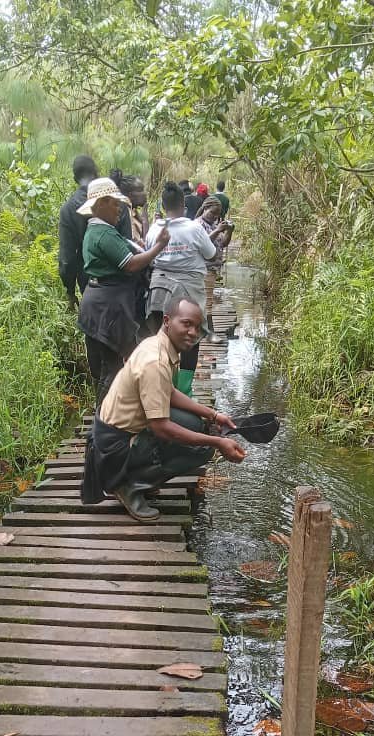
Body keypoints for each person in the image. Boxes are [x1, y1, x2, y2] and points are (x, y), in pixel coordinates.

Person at [82, 298, 246, 521]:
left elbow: (167, 391)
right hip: (113, 448)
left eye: (197, 328)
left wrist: (213, 414)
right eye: (186, 324)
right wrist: (217, 442)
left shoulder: (158, 344)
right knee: (203, 449)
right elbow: (161, 428)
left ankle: (141, 476)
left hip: (117, 434)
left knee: (197, 423)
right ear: (167, 321)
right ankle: (127, 485)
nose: (192, 332)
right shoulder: (155, 361)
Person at [77, 177, 169, 404]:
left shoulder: (98, 231)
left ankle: (104, 421)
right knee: (112, 367)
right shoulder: (104, 234)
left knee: (106, 366)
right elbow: (131, 264)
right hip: (107, 307)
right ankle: (104, 424)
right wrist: (159, 246)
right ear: (101, 204)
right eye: (115, 204)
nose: (119, 209)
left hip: (99, 302)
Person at [144, 180, 219, 394]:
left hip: (159, 293)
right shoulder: (194, 229)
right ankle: (184, 391)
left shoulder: (153, 230)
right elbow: (211, 254)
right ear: (183, 204)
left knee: (162, 340)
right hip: (189, 293)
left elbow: (149, 257)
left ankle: (162, 387)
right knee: (191, 340)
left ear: (163, 205)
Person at [58, 155, 132, 308]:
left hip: (91, 287)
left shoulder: (68, 210)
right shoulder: (117, 203)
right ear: (97, 172)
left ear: (74, 178)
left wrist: (70, 292)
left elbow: (67, 260)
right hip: (122, 288)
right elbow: (127, 243)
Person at [196, 196, 234, 344]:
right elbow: (202, 243)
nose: (215, 217)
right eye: (212, 213)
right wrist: (218, 230)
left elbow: (222, 244)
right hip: (202, 268)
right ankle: (209, 333)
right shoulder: (198, 225)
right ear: (205, 209)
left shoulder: (214, 224)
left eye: (217, 215)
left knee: (206, 302)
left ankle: (204, 332)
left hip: (212, 269)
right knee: (207, 303)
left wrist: (228, 231)